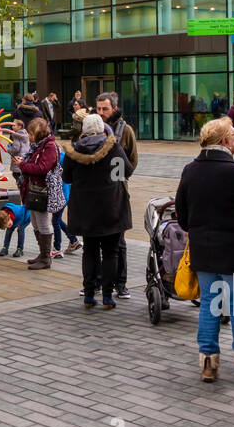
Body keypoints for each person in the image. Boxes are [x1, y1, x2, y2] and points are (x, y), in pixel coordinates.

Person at [175, 117, 234, 383]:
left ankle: (208, 362)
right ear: (225, 141)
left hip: (204, 250)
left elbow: (182, 216)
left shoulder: (190, 170)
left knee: (209, 304)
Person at [62, 114, 134, 309]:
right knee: (111, 252)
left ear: (84, 132)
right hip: (111, 208)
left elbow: (67, 177)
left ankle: (89, 294)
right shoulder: (113, 148)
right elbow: (124, 173)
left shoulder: (74, 151)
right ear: (103, 130)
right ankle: (108, 296)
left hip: (85, 210)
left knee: (90, 251)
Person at [95, 91, 138, 299]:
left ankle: (120, 284)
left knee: (118, 241)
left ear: (113, 108)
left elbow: (132, 160)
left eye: (105, 109)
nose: (101, 112)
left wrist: (114, 177)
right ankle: (95, 282)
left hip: (117, 192)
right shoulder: (91, 128)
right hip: (94, 193)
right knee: (94, 241)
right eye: (98, 109)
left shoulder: (125, 130)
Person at [9, 117, 65, 270]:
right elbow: (36, 164)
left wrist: (23, 165)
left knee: (42, 222)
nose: (29, 137)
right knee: (35, 222)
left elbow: (42, 168)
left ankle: (46, 258)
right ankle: (42, 254)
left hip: (42, 191)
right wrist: (23, 162)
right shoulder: (40, 145)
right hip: (34, 190)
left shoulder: (49, 146)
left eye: (31, 134)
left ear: (39, 133)